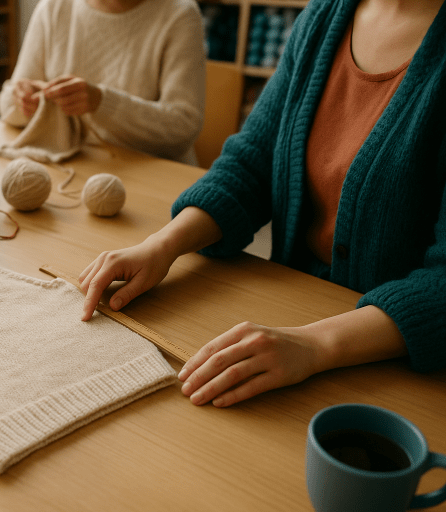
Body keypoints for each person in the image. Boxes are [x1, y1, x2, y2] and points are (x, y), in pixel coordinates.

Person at [79, 0, 446, 407]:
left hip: (395, 369)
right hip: (291, 315)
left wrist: (314, 346)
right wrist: (162, 246)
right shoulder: (325, 17)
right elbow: (252, 163)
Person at [0, 0, 205, 165]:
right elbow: (7, 103)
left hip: (152, 174)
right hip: (73, 167)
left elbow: (183, 127)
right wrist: (25, 102)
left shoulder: (180, 14)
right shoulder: (53, 7)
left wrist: (102, 103)